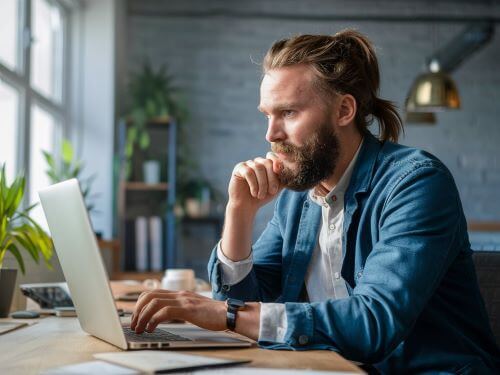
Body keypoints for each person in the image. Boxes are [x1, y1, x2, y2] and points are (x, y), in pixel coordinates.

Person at [130, 30, 500, 373]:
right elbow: (244, 300)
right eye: (268, 115)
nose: (271, 133)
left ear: (344, 111)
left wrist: (223, 314)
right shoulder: (300, 199)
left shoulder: (416, 183)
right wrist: (239, 213)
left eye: (288, 113)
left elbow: (373, 323)